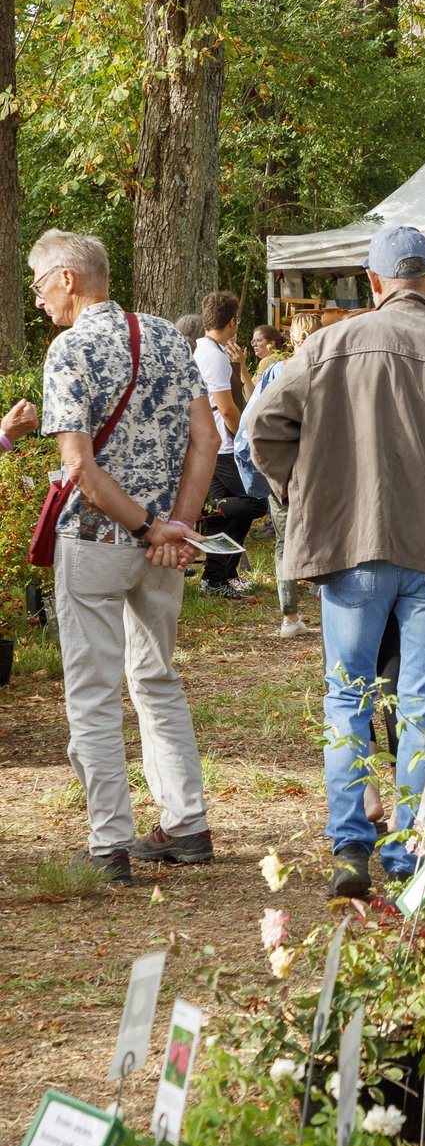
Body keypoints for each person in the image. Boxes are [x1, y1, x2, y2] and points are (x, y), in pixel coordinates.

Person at [249, 225, 425, 899]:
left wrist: (301, 491)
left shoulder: (325, 345)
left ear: (372, 282)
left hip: (351, 547)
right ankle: (408, 855)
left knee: (347, 698)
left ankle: (349, 851)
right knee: (424, 707)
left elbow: (262, 428)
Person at [30, 229, 219, 884]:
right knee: (157, 679)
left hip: (100, 540)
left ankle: (109, 841)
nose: (37, 299)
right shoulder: (168, 335)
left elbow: (78, 466)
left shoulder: (69, 349)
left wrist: (147, 529)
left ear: (68, 280)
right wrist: (177, 527)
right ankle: (187, 823)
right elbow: (208, 436)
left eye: (38, 284)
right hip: (161, 543)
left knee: (93, 693)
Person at [234, 310, 322, 635]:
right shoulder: (327, 371)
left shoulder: (276, 372)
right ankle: (333, 609)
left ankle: (289, 617)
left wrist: (263, 470)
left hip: (281, 471)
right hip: (316, 470)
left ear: (291, 339)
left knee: (284, 542)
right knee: (326, 534)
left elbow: (250, 422)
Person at [193, 291, 266, 599]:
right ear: (232, 322)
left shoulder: (216, 351)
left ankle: (220, 575)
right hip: (224, 447)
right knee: (256, 502)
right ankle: (215, 574)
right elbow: (226, 408)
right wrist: (243, 442)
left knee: (227, 511)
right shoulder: (211, 355)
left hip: (218, 445)